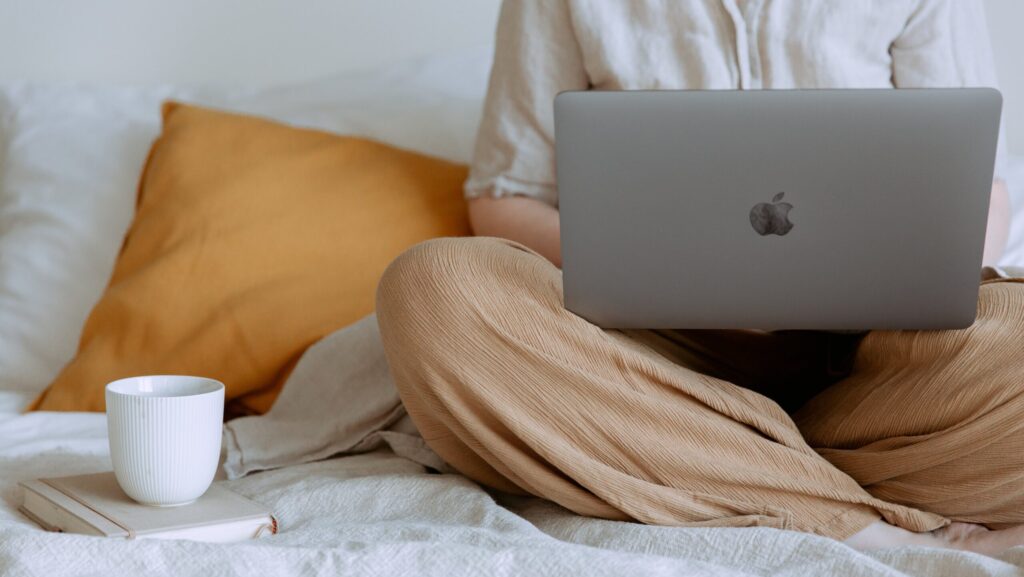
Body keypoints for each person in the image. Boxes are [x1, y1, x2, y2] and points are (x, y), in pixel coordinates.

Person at [376, 0, 1024, 556]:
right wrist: (640, 264)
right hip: (648, 355)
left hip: (879, 367)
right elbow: (506, 195)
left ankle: (696, 461)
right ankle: (850, 517)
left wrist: (916, 277)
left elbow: (979, 190)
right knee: (432, 289)